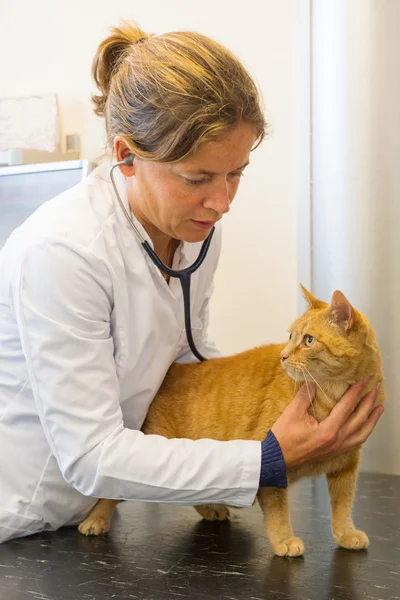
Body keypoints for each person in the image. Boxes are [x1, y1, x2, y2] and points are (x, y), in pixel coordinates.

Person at [0, 22, 383, 544]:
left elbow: (184, 361)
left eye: (237, 173)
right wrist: (267, 456)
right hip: (27, 515)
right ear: (125, 155)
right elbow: (92, 454)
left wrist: (264, 404)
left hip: (100, 513)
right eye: (198, 179)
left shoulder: (197, 233)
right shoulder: (62, 253)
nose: (223, 203)